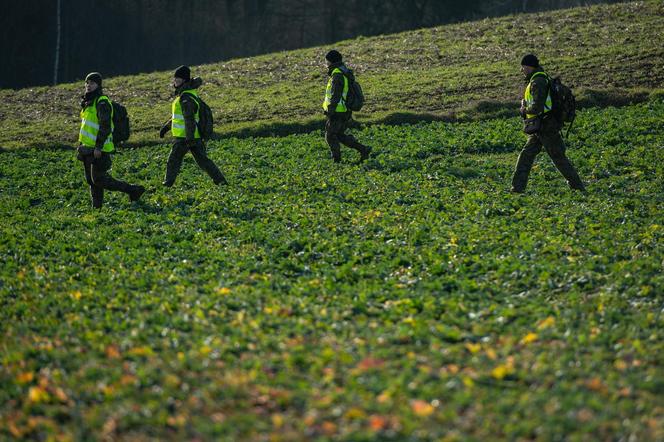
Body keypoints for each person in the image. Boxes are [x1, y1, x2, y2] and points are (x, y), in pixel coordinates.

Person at [511, 54, 585, 193]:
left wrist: (524, 109)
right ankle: (517, 189)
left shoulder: (538, 81)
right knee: (526, 155)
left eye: (523, 67)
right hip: (540, 126)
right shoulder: (539, 78)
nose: (522, 70)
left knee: (558, 157)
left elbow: (537, 108)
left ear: (529, 66)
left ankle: (578, 187)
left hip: (546, 126)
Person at [77, 72, 145, 208]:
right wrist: (81, 145)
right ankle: (96, 207)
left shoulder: (102, 102)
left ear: (99, 85)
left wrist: (98, 147)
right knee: (92, 180)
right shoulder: (88, 102)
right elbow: (87, 127)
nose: (88, 85)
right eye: (87, 83)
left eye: (92, 83)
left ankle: (133, 190)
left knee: (99, 179)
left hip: (99, 149)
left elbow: (105, 126)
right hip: (86, 148)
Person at [159, 65, 227, 187]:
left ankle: (167, 184)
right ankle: (221, 181)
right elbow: (179, 117)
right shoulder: (187, 94)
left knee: (173, 160)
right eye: (175, 79)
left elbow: (189, 119)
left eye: (178, 80)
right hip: (194, 136)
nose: (175, 82)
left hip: (186, 137)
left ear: (184, 81)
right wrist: (167, 127)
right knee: (204, 162)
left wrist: (189, 139)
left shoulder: (186, 98)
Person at [322, 50, 371, 163]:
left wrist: (330, 110)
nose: (326, 64)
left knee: (330, 136)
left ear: (330, 61)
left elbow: (336, 95)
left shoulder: (337, 74)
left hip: (338, 111)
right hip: (344, 110)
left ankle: (337, 160)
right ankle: (363, 149)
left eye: (326, 61)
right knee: (339, 135)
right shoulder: (343, 72)